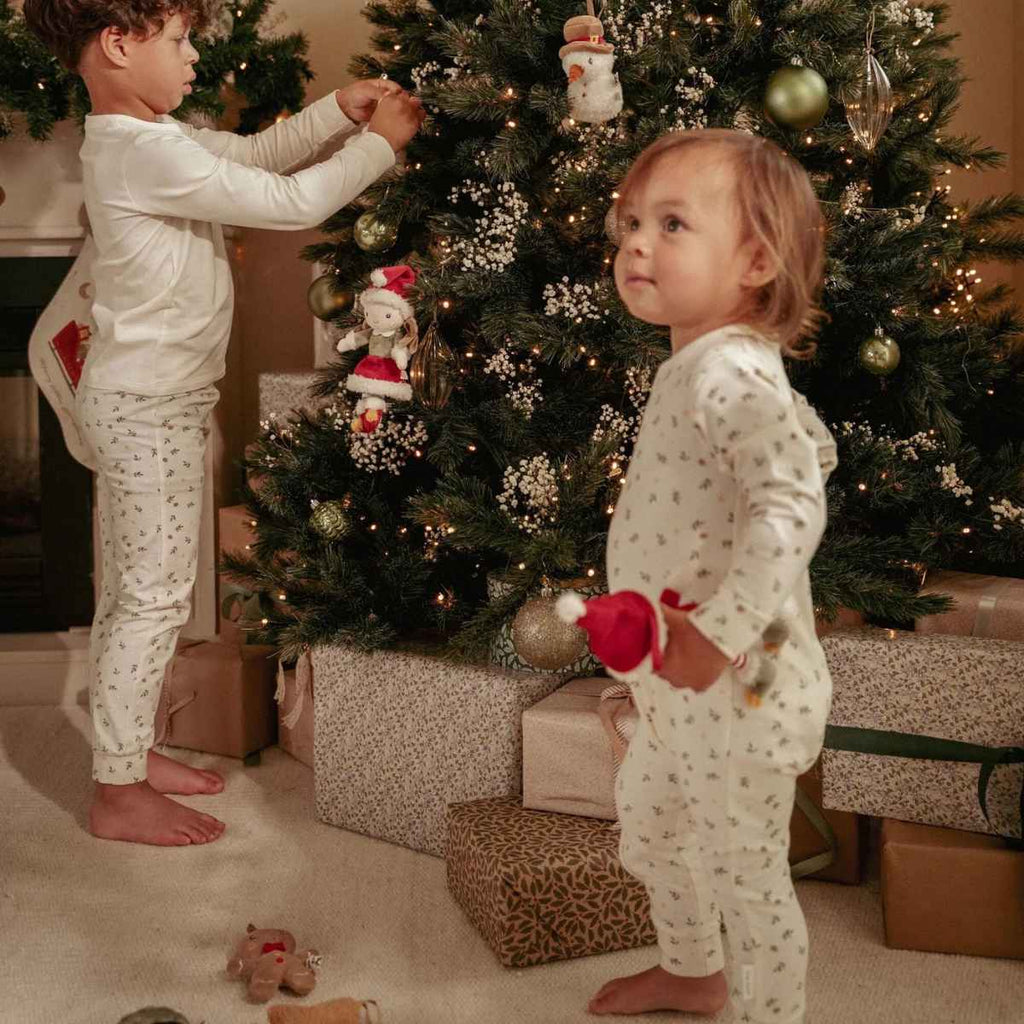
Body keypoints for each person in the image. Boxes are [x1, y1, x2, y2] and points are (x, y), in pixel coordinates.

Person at [22, 0, 425, 847]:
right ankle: (116, 791)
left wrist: (331, 113)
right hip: (147, 408)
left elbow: (249, 155)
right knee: (150, 597)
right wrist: (380, 144)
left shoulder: (145, 141)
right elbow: (284, 199)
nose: (194, 57)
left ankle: (127, 752)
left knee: (137, 593)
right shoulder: (140, 152)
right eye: (178, 40)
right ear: (119, 45)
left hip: (157, 402)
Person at [590, 129, 838, 1024]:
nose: (635, 245)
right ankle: (694, 972)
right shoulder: (711, 362)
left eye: (671, 224)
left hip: (738, 691)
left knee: (749, 880)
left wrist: (722, 628)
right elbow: (810, 447)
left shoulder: (727, 373)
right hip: (679, 687)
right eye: (629, 224)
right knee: (652, 829)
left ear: (756, 260)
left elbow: (795, 502)